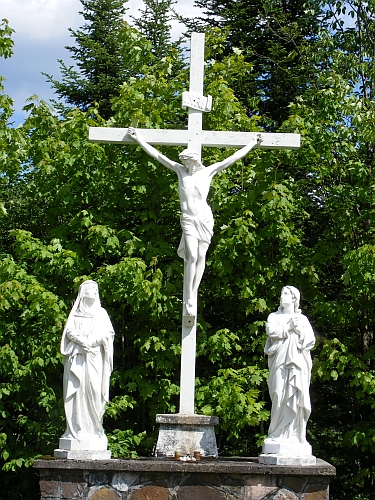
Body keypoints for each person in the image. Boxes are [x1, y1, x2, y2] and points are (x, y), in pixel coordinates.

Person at [128, 127, 260, 316]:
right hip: (188, 219)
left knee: (201, 255)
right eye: (185, 163)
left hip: (204, 218)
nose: (187, 165)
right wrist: (139, 139)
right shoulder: (180, 171)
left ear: (195, 160)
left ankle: (193, 294)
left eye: (188, 162)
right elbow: (157, 155)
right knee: (192, 255)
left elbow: (231, 159)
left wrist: (252, 144)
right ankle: (188, 295)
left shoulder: (208, 172)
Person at [60, 280, 114, 445]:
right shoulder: (75, 314)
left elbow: (108, 334)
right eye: (90, 289)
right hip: (77, 357)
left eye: (96, 289)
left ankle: (94, 429)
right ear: (83, 292)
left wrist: (91, 341)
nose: (94, 291)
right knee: (77, 391)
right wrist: (81, 341)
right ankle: (76, 429)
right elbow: (68, 331)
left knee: (93, 390)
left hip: (94, 358)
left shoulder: (101, 314)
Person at [263, 286, 315, 450]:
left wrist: (298, 328)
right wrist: (289, 327)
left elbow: (310, 341)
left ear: (294, 299)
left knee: (295, 396)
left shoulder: (302, 319)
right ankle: (276, 434)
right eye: (281, 293)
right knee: (278, 394)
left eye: (285, 294)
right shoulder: (274, 316)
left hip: (297, 364)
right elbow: (271, 331)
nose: (281, 296)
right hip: (279, 360)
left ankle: (295, 435)